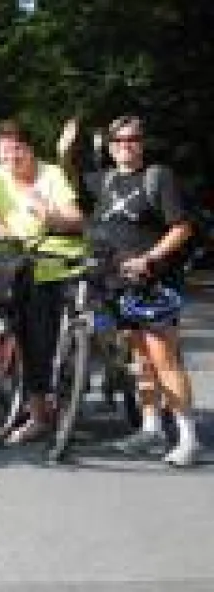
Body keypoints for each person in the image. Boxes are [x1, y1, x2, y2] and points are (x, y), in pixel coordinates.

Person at [87, 115, 201, 466]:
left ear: (142, 143)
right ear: (110, 146)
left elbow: (181, 227)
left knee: (164, 359)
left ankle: (187, 436)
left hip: (154, 282)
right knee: (141, 361)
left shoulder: (158, 177)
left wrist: (150, 258)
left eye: (133, 139)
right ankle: (150, 429)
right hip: (119, 283)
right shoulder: (105, 182)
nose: (127, 145)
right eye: (119, 140)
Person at [0, 118, 86, 444]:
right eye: (4, 153)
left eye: (16, 152)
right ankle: (33, 406)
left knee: (38, 340)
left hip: (55, 265)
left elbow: (77, 220)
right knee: (17, 334)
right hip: (15, 263)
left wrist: (48, 214)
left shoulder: (51, 175)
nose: (10, 160)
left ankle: (42, 414)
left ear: (29, 149)